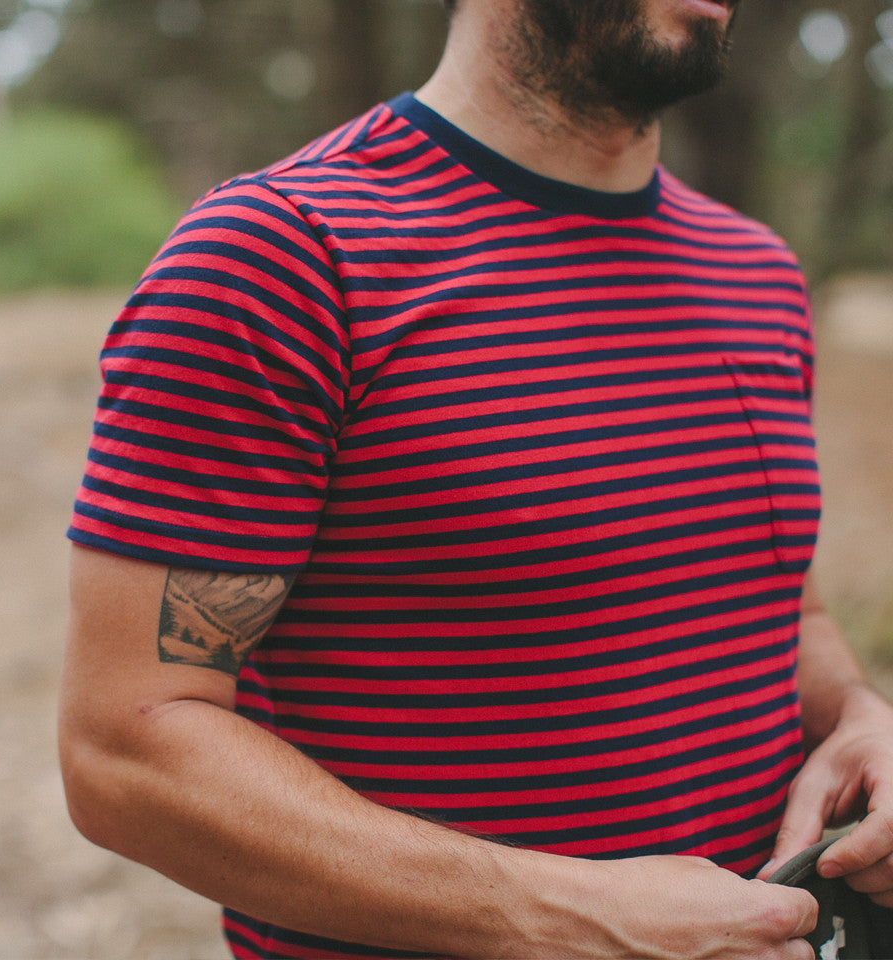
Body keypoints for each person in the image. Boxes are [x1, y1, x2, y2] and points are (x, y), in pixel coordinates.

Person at [58, 1, 893, 957]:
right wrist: (568, 913)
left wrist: (858, 716)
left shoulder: (755, 273)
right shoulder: (280, 256)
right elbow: (125, 753)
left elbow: (779, 605)